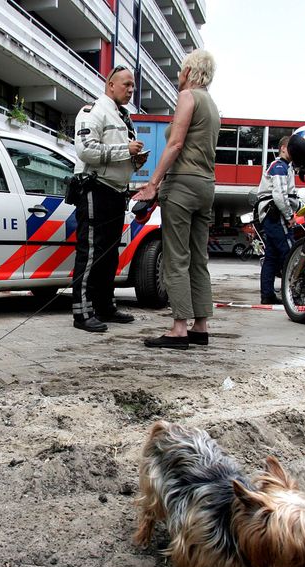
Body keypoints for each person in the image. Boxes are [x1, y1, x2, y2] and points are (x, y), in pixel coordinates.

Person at [133, 50, 219, 350]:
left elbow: (176, 143)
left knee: (176, 258)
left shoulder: (188, 97)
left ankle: (179, 328)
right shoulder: (213, 106)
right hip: (207, 186)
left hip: (182, 184)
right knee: (198, 257)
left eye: (181, 71)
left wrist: (152, 184)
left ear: (189, 72)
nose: (178, 77)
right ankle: (201, 326)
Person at [70, 65, 146, 333]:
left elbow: (118, 155)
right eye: (126, 84)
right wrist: (125, 149)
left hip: (115, 191)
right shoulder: (93, 111)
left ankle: (104, 306)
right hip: (95, 188)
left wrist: (134, 160)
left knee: (109, 254)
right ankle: (82, 312)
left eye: (133, 86)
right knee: (91, 251)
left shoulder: (123, 117)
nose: (130, 90)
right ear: (109, 85)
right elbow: (85, 149)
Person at [254, 135, 299, 305]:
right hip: (276, 215)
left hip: (270, 215)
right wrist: (289, 216)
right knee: (289, 253)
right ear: (283, 148)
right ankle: (293, 294)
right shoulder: (280, 166)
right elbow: (280, 195)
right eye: (291, 148)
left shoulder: (283, 166)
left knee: (271, 257)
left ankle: (267, 295)